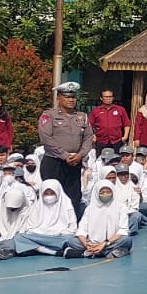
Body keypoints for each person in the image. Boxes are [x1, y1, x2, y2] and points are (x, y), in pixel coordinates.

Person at [38, 81, 95, 219]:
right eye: (67, 97)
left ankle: (72, 224)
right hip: (54, 162)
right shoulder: (49, 115)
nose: (71, 100)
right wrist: (64, 155)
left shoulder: (82, 116)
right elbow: (46, 139)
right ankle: (50, 223)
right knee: (52, 195)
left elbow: (88, 137)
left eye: (73, 97)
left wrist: (80, 155)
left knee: (73, 196)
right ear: (58, 98)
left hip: (75, 162)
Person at [65, 180, 135, 259]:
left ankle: (90, 253)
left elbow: (123, 230)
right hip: (92, 243)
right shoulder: (89, 209)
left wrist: (104, 243)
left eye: (108, 192)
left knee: (126, 240)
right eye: (102, 193)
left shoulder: (121, 207)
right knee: (72, 241)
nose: (105, 195)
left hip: (110, 242)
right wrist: (86, 244)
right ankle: (105, 251)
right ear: (96, 194)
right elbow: (82, 230)